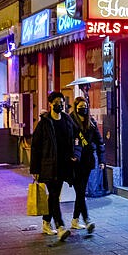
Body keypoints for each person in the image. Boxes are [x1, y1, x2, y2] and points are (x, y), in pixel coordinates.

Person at [30, 91, 81, 241]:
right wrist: (35, 169)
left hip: (64, 165)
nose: (60, 105)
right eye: (57, 102)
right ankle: (60, 227)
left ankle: (46, 223)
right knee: (53, 195)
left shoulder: (66, 120)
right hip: (49, 165)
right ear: (51, 104)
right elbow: (36, 147)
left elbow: (76, 137)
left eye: (62, 102)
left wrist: (75, 154)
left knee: (54, 195)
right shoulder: (44, 123)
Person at [69, 96, 105, 233]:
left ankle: (76, 220)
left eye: (85, 106)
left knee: (80, 191)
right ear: (76, 107)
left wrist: (102, 160)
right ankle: (86, 219)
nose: (83, 109)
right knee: (80, 191)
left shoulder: (91, 122)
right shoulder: (71, 121)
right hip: (75, 161)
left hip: (88, 161)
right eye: (80, 107)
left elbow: (99, 141)